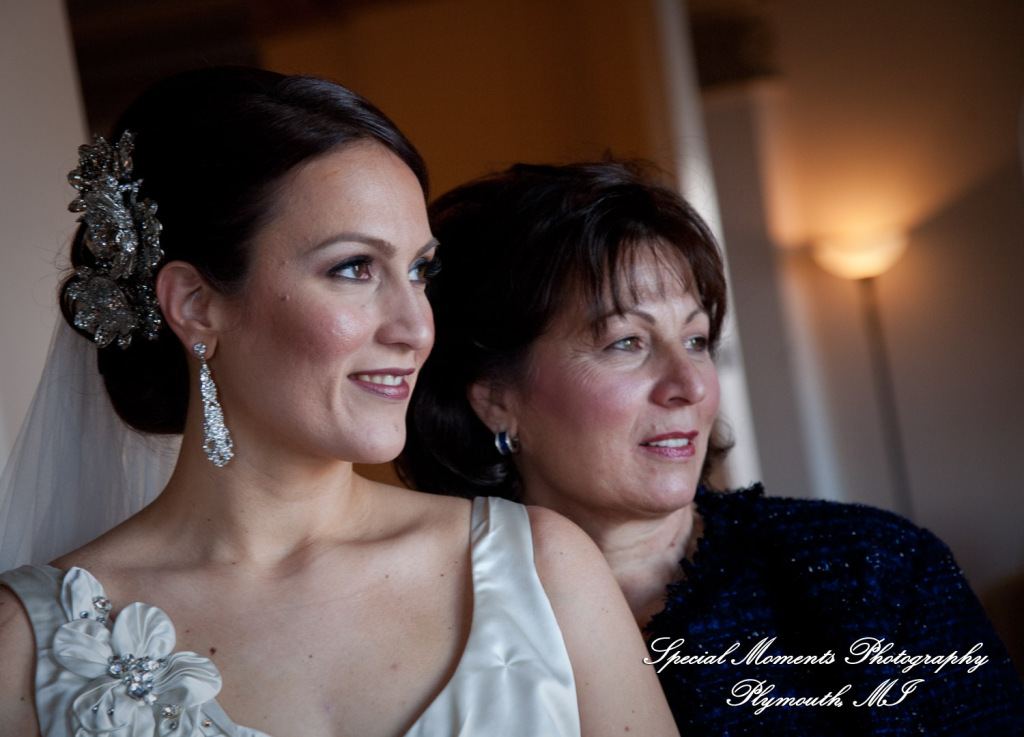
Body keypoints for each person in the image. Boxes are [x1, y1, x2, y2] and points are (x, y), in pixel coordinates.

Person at [0, 69, 679, 737]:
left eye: (419, 271)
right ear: (196, 305)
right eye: (355, 268)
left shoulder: (543, 568)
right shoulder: (28, 649)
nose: (416, 328)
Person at [400, 159, 1024, 734]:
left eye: (697, 341)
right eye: (627, 343)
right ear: (494, 398)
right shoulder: (423, 626)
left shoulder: (878, 571)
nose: (690, 385)